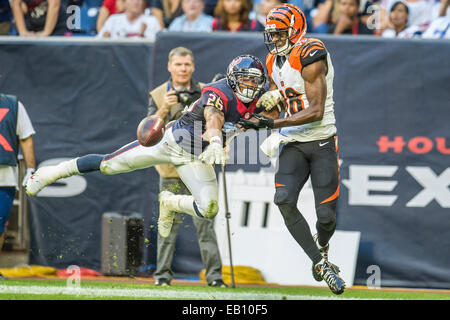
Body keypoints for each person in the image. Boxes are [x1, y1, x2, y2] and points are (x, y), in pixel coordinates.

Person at [25, 55, 273, 269]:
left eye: (254, 80)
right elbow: (213, 118)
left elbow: (275, 111)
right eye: (245, 78)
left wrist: (275, 118)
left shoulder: (262, 96)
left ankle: (170, 202)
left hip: (197, 157)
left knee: (209, 209)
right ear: (232, 78)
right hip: (169, 143)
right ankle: (50, 174)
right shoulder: (218, 91)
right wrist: (218, 141)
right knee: (109, 164)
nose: (250, 85)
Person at [238, 3, 345, 295]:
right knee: (283, 199)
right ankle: (321, 264)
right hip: (293, 141)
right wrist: (256, 118)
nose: (273, 39)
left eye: (279, 33)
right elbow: (280, 108)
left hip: (322, 140)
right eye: (271, 33)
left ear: (296, 30)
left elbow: (316, 111)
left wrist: (270, 126)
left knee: (326, 217)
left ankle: (322, 244)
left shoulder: (310, 51)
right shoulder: (273, 60)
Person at [147, 47, 226, 287]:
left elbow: (219, 120)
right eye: (178, 65)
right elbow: (148, 133)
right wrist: (164, 108)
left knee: (206, 225)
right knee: (167, 225)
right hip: (170, 169)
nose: (183, 69)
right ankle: (162, 277)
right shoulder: (158, 94)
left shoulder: (207, 91)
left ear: (192, 66)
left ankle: (214, 277)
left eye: (187, 64)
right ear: (170, 67)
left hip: (199, 165)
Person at [0, 94, 36, 280]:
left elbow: (26, 137)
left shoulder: (13, 105)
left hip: (4, 175)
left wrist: (31, 169)